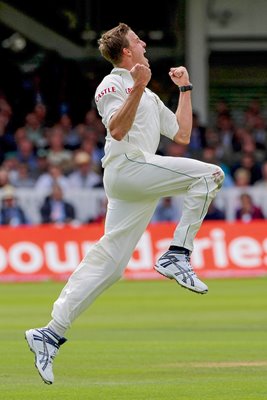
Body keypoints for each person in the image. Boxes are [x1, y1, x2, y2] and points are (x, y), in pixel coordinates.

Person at [25, 22, 224, 385]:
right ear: (126, 52)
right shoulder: (113, 84)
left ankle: (49, 333)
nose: (144, 41)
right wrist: (139, 86)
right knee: (209, 175)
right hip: (126, 166)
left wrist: (184, 89)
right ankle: (177, 254)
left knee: (111, 264)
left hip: (138, 178)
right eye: (137, 39)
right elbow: (117, 130)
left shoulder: (147, 94)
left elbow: (181, 134)